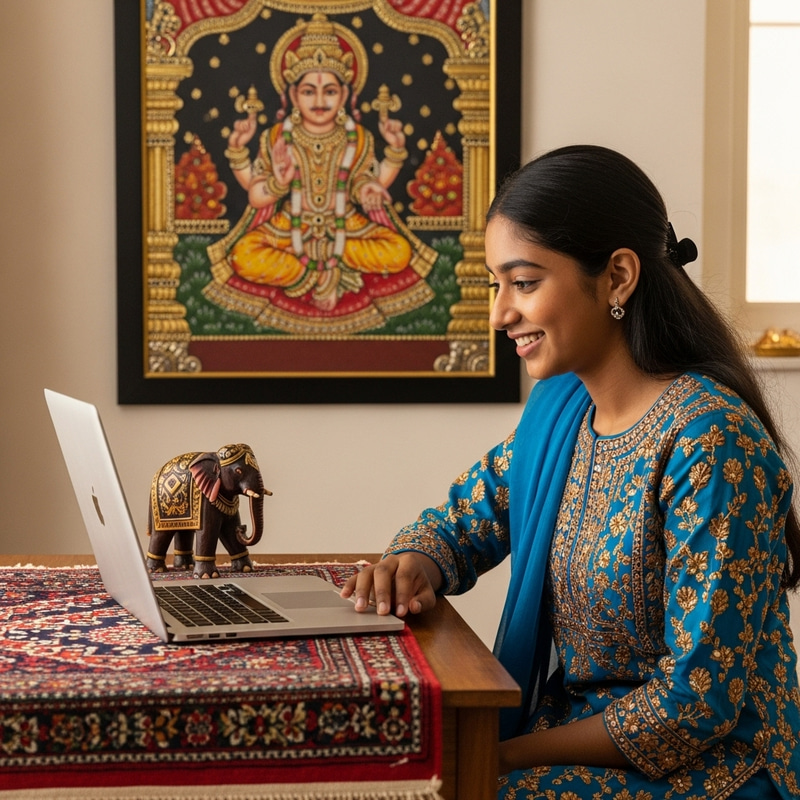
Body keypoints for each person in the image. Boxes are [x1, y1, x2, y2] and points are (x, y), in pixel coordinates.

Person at [341, 144, 800, 798]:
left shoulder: (710, 442)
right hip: (573, 732)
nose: (501, 313)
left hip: (716, 765)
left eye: (524, 283)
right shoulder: (562, 413)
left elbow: (696, 703)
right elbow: (466, 519)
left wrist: (502, 754)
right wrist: (415, 561)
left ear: (617, 277)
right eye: (495, 285)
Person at [204, 13, 435, 334]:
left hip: (347, 228)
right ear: (294, 96)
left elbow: (364, 186)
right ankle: (317, 275)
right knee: (244, 255)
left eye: (329, 91)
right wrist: (277, 181)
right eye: (309, 91)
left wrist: (388, 161)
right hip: (287, 230)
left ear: (343, 96)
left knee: (399, 252)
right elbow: (257, 197)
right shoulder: (276, 137)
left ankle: (322, 266)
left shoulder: (358, 137)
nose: (319, 100)